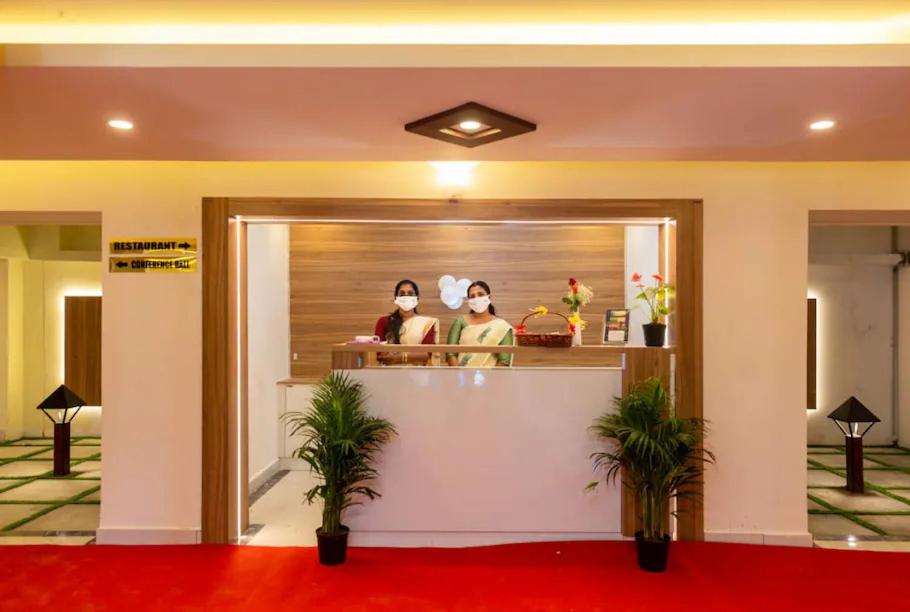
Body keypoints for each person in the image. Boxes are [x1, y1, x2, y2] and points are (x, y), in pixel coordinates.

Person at [446, 280, 513, 367]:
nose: (476, 299)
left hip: (491, 374)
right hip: (461, 374)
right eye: (472, 296)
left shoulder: (502, 326)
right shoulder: (460, 322)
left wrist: (489, 376)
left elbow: (504, 361)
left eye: (480, 294)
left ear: (489, 297)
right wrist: (459, 374)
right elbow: (450, 353)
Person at [374, 279, 438, 366]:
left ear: (417, 298)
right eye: (402, 294)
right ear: (396, 298)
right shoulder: (384, 322)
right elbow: (380, 354)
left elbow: (426, 354)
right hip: (389, 371)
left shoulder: (427, 323)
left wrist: (399, 357)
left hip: (417, 372)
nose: (406, 296)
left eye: (410, 294)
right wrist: (412, 356)